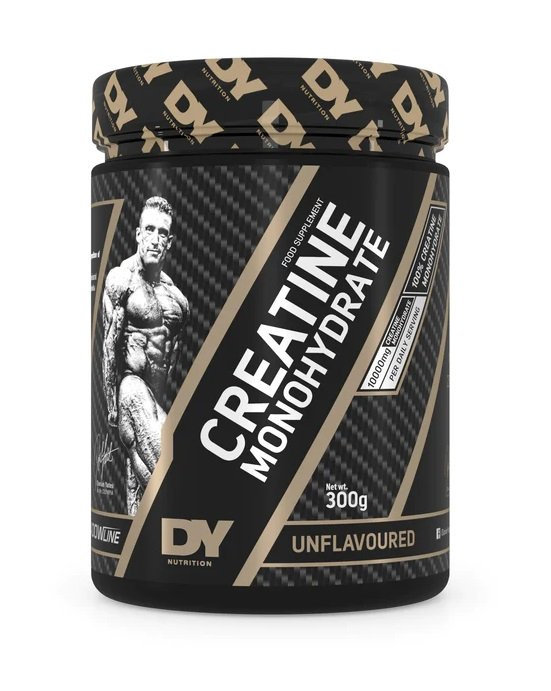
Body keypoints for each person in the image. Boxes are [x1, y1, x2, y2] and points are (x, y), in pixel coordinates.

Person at [102, 196, 189, 515]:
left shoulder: (178, 301)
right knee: (168, 470)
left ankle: (138, 542)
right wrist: (112, 409)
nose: (155, 238)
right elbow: (109, 345)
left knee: (142, 494)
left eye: (162, 232)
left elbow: (173, 358)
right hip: (130, 389)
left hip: (156, 398)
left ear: (170, 241)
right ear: (138, 234)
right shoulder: (121, 281)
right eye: (149, 229)